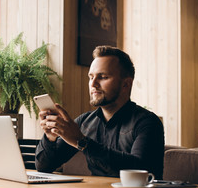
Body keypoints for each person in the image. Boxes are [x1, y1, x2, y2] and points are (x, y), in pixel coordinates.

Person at [35, 46, 165, 179]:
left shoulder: (148, 122)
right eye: (91, 77)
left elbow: (140, 171)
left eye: (102, 77)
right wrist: (50, 137)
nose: (93, 84)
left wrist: (82, 142)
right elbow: (44, 166)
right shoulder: (84, 123)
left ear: (126, 84)